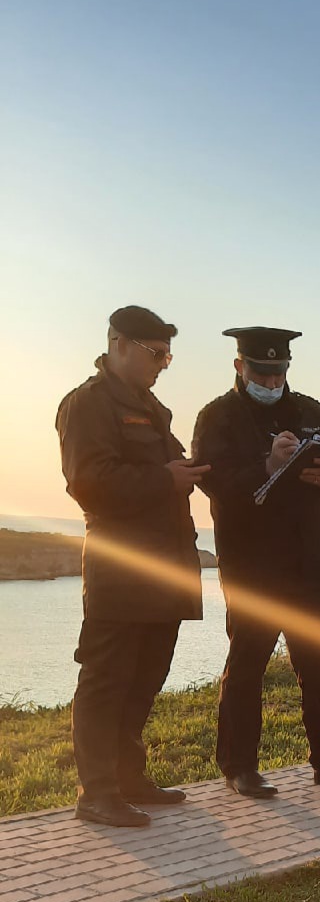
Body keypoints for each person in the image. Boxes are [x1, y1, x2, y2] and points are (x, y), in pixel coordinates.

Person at [193, 327, 320, 798]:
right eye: (262, 370)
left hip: (311, 561)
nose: (272, 379)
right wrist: (265, 467)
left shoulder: (309, 409)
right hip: (252, 564)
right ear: (239, 366)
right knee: (247, 665)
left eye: (280, 371)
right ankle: (239, 766)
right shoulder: (217, 416)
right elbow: (209, 477)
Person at [56, 306, 209, 827]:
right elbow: (89, 483)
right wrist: (166, 479)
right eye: (155, 353)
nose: (164, 363)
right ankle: (96, 792)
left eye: (168, 354)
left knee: (146, 676)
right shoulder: (87, 405)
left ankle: (127, 776)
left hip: (165, 566)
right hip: (120, 570)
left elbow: (166, 469)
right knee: (107, 679)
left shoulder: (152, 407)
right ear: (118, 344)